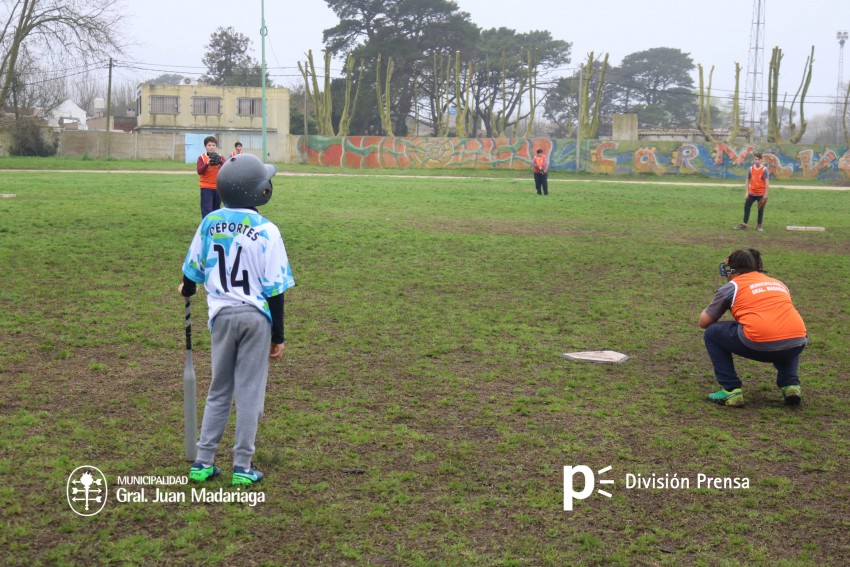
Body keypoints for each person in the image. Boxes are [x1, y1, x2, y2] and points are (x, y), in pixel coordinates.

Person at [179, 153, 295, 485]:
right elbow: (275, 290)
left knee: (219, 388)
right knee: (248, 391)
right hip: (256, 318)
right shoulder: (268, 230)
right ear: (258, 191)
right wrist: (279, 335)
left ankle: (203, 461)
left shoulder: (210, 222)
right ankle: (242, 466)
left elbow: (192, 271)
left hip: (221, 317)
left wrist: (187, 289)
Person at [699, 248, 807, 407]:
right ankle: (790, 384)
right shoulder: (778, 283)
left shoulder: (733, 286)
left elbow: (704, 322)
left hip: (759, 342)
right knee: (786, 331)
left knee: (713, 333)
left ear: (733, 270)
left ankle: (730, 389)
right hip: (798, 342)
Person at [733, 152, 769, 231]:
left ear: (761, 160)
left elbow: (767, 182)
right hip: (752, 193)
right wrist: (747, 192)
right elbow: (747, 179)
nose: (756, 161)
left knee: (760, 209)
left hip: (761, 193)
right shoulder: (751, 169)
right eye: (755, 159)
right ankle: (744, 224)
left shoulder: (764, 169)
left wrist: (765, 195)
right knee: (746, 207)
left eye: (758, 159)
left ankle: (759, 225)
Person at [197, 136, 224, 219]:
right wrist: (207, 164)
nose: (211, 147)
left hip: (217, 187)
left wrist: (220, 161)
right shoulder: (201, 157)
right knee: (207, 209)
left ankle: (215, 227)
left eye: (213, 145)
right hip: (206, 187)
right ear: (205, 146)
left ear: (216, 146)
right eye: (209, 145)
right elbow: (199, 171)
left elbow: (227, 167)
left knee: (216, 209)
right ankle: (206, 228)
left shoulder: (220, 157)